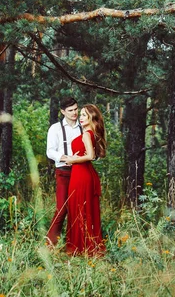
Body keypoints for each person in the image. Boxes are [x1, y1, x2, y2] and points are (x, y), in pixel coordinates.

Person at [64, 104, 106, 256]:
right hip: (82, 173)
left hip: (81, 175)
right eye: (80, 115)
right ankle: (84, 246)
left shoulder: (87, 134)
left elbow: (90, 156)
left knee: (79, 209)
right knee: (81, 208)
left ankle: (81, 247)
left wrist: (73, 159)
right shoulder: (90, 132)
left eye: (84, 115)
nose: (80, 118)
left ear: (91, 117)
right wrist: (74, 159)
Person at [46, 96, 82, 247]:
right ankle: (50, 243)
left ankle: (74, 244)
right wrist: (63, 157)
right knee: (62, 208)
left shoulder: (83, 126)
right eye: (70, 110)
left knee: (79, 208)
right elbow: (50, 151)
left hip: (80, 171)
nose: (74, 113)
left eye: (76, 109)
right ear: (63, 111)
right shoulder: (55, 128)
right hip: (63, 171)